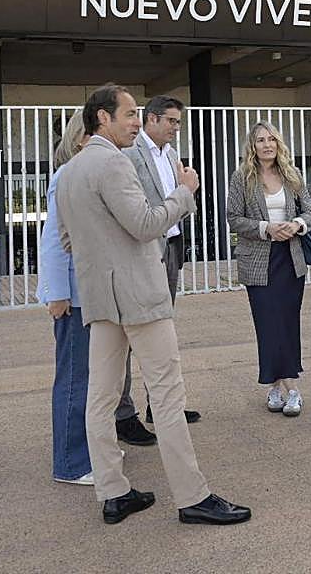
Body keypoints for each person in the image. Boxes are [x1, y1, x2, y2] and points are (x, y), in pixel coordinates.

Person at [58, 84, 250, 526]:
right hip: (140, 299)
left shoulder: (69, 172)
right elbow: (146, 225)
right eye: (128, 114)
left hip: (100, 301)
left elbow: (69, 241)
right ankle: (192, 497)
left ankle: (113, 492)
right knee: (166, 394)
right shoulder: (114, 163)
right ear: (102, 118)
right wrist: (184, 193)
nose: (134, 123)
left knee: (100, 398)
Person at [119, 94, 200, 434]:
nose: (175, 128)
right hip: (143, 252)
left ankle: (162, 406)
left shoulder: (171, 157)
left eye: (178, 122)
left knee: (162, 331)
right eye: (170, 121)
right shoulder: (129, 156)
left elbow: (181, 202)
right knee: (131, 332)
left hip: (171, 247)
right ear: (150, 119)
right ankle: (123, 413)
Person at [226, 121, 311, 417]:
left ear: (278, 143)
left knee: (288, 323)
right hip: (258, 261)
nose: (266, 145)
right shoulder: (242, 178)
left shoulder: (293, 175)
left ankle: (276, 387)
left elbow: (310, 210)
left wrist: (297, 224)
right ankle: (293, 390)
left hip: (290, 259)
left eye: (271, 139)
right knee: (268, 323)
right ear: (252, 146)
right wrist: (266, 228)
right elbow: (234, 218)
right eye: (260, 140)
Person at [37, 113, 94, 486]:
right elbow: (54, 242)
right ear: (79, 139)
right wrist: (57, 293)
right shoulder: (66, 178)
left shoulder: (86, 176)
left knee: (91, 379)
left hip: (89, 294)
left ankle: (89, 449)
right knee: (74, 378)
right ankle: (71, 463)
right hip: (72, 297)